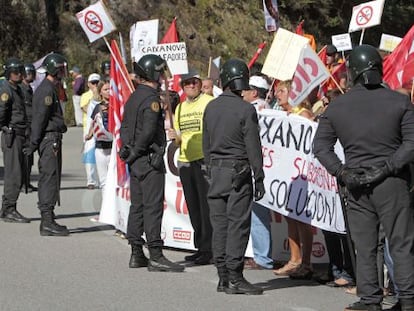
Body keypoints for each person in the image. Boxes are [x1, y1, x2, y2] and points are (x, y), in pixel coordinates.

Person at [313, 44, 414, 311]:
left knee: (366, 245)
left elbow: (320, 147)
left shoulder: (337, 106)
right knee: (401, 243)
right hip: (391, 181)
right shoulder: (400, 100)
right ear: (379, 70)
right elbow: (411, 143)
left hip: (357, 183)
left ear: (353, 72)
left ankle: (370, 299)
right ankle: (408, 299)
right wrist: (388, 167)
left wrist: (342, 172)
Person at [202, 58, 265, 295]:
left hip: (215, 171)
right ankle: (235, 277)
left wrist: (209, 168)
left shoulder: (211, 106)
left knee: (220, 226)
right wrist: (259, 177)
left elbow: (206, 142)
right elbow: (253, 146)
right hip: (238, 172)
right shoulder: (245, 109)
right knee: (237, 225)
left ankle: (223, 277)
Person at [119, 54, 184, 272]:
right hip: (148, 159)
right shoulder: (152, 100)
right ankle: (155, 254)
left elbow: (125, 127)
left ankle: (136, 253)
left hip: (137, 162)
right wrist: (136, 151)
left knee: (136, 206)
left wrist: (129, 151)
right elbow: (147, 132)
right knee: (153, 207)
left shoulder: (133, 97)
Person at [167, 71, 213, 265]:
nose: (191, 86)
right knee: (193, 207)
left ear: (200, 84)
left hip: (203, 160)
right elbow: (179, 138)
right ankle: (200, 246)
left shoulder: (209, 102)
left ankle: (210, 248)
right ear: (183, 86)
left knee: (206, 207)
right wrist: (174, 137)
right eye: (187, 83)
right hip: (185, 161)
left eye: (194, 82)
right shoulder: (179, 109)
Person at [24, 53, 70, 236]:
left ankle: (49, 218)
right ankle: (47, 221)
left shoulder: (51, 88)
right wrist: (33, 144)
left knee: (51, 178)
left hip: (52, 138)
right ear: (55, 69)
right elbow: (40, 119)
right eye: (61, 69)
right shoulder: (46, 91)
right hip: (49, 140)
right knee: (49, 178)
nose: (63, 72)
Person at [273, 80, 314, 279]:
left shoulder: (303, 115)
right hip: (288, 174)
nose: (277, 94)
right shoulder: (285, 115)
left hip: (303, 174)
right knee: (290, 215)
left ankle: (306, 262)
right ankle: (294, 259)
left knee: (302, 219)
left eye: (281, 91)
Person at [241, 75, 274, 270]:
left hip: (262, 166)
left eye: (246, 89)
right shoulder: (256, 108)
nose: (242, 92)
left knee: (258, 211)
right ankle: (259, 254)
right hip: (257, 164)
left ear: (254, 92)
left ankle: (263, 257)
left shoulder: (260, 109)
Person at [0, 58, 30, 223]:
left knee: (18, 172)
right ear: (9, 73)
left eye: (20, 71)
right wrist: (6, 127)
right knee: (14, 174)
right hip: (12, 135)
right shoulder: (6, 90)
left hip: (20, 134)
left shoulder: (17, 89)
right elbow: (1, 113)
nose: (19, 74)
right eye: (16, 72)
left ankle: (6, 208)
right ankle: (9, 208)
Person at [85, 79, 112, 210]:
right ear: (100, 92)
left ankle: (115, 208)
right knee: (104, 181)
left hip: (113, 148)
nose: (109, 92)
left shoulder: (117, 106)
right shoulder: (97, 107)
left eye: (110, 89)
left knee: (115, 181)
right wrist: (89, 134)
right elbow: (93, 123)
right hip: (100, 148)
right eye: (106, 89)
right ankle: (106, 208)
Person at [80, 73, 101, 190]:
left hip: (101, 129)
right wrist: (94, 96)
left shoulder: (104, 93)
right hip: (88, 129)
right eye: (93, 83)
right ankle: (91, 180)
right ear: (88, 84)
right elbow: (86, 109)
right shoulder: (86, 96)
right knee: (89, 155)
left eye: (97, 83)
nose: (95, 85)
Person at [20, 63, 37, 192]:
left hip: (31, 125)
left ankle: (27, 181)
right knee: (24, 156)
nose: (31, 75)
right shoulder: (21, 88)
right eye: (29, 73)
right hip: (25, 126)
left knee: (29, 157)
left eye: (32, 72)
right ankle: (22, 183)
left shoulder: (29, 88)